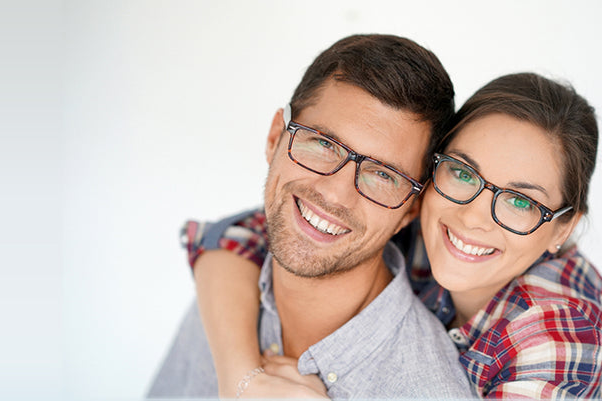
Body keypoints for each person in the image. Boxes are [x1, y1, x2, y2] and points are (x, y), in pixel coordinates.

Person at [181, 72, 601, 398]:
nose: (474, 217)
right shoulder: (414, 218)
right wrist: (240, 379)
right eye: (462, 172)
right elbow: (251, 234)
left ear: (563, 227)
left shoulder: (558, 336)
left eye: (521, 202)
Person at [147, 34, 477, 399]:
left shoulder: (428, 390)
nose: (335, 192)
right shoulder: (230, 299)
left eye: (383, 175)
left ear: (410, 210)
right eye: (323, 144)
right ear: (275, 137)